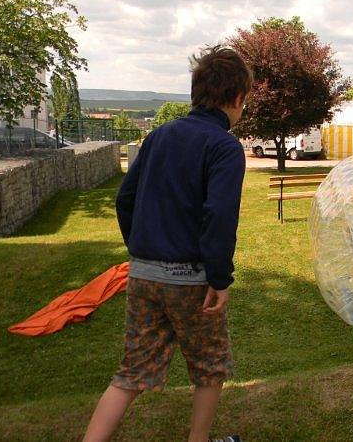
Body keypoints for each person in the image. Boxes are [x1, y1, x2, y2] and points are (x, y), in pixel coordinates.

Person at [83, 45, 252, 442]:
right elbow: (219, 216)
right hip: (192, 282)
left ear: (197, 92)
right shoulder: (225, 147)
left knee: (130, 373)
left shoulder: (158, 136)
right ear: (238, 98)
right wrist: (219, 278)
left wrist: (143, 252)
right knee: (210, 367)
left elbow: (125, 200)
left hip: (143, 277)